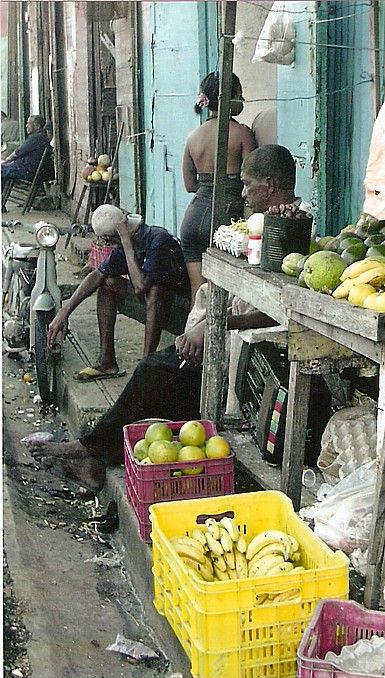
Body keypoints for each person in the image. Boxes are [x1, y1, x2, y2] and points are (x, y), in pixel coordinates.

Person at [29, 144, 300, 492]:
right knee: (153, 378)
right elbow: (99, 275)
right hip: (214, 329)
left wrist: (213, 326)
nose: (243, 193)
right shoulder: (262, 226)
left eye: (248, 185)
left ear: (271, 184)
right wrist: (64, 311)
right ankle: (96, 455)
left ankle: (90, 450)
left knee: (151, 372)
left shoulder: (292, 229)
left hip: (237, 340)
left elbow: (272, 308)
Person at [46, 204, 191, 381]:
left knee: (155, 290)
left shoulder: (159, 240)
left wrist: (125, 242)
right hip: (159, 310)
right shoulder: (127, 243)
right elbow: (97, 275)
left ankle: (147, 365)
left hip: (183, 316)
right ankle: (107, 362)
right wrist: (64, 313)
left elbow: (140, 286)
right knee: (108, 283)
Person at [180, 72, 256, 307]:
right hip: (224, 220)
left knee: (198, 295)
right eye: (239, 94)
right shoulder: (242, 133)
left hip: (192, 221)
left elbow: (190, 185)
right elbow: (251, 179)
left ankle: (192, 341)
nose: (242, 99)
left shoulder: (193, 137)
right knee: (224, 297)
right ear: (228, 98)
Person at [1, 114, 51, 182]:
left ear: (38, 126)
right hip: (27, 168)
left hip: (27, 171)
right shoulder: (40, 136)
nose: (26, 126)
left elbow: (18, 152)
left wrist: (6, 160)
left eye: (29, 124)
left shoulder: (36, 138)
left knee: (2, 169)